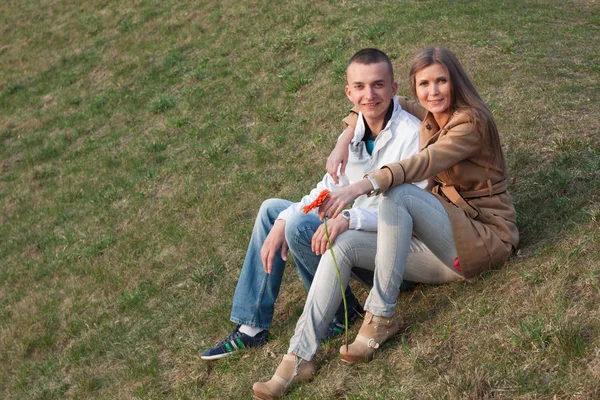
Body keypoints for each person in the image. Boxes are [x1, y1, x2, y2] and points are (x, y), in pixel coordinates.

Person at [252, 47, 519, 399]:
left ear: (457, 82)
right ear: (412, 87)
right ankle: (298, 358)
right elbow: (367, 104)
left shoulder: (470, 123)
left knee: (399, 191)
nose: (433, 91)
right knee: (342, 246)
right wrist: (343, 139)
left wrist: (361, 186)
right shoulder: (426, 111)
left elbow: (421, 164)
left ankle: (380, 317)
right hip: (437, 240)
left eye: (442, 81)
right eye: (424, 83)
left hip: (480, 240)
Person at [201, 48, 425, 360]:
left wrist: (345, 216)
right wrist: (283, 220)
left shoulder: (411, 136)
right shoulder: (354, 135)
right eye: (359, 87)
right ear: (349, 92)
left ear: (393, 88)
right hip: (352, 230)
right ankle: (251, 327)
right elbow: (325, 189)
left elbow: (410, 213)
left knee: (299, 225)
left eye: (377, 85)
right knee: (273, 211)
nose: (369, 95)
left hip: (395, 254)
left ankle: (340, 314)